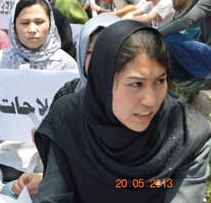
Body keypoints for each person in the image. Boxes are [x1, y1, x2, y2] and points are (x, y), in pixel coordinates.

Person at [33, 20, 211, 203]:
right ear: (103, 81)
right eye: (136, 84)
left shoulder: (187, 134)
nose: (150, 100)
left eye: (160, 81)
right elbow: (52, 198)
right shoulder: (69, 120)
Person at [7, 13, 121, 198]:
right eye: (91, 52)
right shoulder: (67, 97)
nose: (99, 60)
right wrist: (44, 176)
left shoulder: (142, 104)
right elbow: (57, 173)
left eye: (107, 50)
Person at [0, 0, 77, 181]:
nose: (32, 29)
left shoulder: (66, 64)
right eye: (24, 23)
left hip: (53, 150)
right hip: (10, 149)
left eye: (39, 22)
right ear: (13, 25)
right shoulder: (2, 60)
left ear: (51, 23)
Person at [159, 0, 211, 81]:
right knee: (167, 49)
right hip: (206, 52)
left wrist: (157, 33)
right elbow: (181, 18)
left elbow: (187, 21)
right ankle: (196, 78)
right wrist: (154, 32)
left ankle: (205, 77)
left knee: (171, 40)